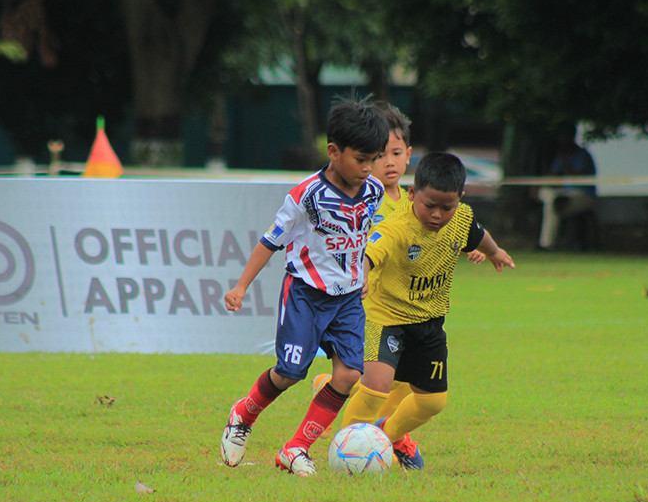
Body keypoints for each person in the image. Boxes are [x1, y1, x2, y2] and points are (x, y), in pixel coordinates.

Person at [219, 96, 389, 476]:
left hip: (346, 300)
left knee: (348, 374)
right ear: (334, 151)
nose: (368, 168)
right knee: (291, 372)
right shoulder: (305, 196)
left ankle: (295, 448)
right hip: (305, 296)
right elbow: (270, 241)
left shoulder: (374, 191)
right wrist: (242, 286)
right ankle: (244, 413)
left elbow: (364, 234)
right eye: (361, 159)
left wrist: (361, 266)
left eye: (373, 159)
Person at [337, 151, 515, 469]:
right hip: (386, 317)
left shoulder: (461, 219)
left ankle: (386, 436)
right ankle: (348, 452)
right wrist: (360, 274)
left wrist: (495, 251)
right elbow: (369, 251)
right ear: (412, 194)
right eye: (429, 205)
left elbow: (478, 235)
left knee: (433, 401)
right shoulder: (396, 227)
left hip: (429, 323)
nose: (437, 214)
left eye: (446, 207)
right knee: (376, 388)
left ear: (460, 199)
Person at [313, 101, 414, 438]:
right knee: (379, 379)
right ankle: (374, 439)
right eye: (380, 155)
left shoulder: (413, 201)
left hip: (405, 303)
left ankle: (334, 390)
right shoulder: (365, 198)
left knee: (406, 380)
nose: (388, 163)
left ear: (409, 155)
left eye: (396, 153)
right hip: (369, 304)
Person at [537, 126, 597, 250]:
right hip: (565, 193)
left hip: (583, 195)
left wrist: (564, 162)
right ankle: (548, 243)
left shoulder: (582, 155)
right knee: (550, 198)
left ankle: (547, 244)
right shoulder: (560, 157)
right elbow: (553, 176)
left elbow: (575, 175)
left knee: (553, 203)